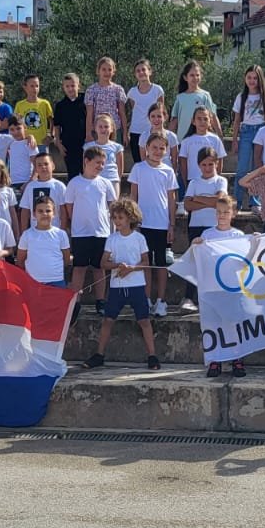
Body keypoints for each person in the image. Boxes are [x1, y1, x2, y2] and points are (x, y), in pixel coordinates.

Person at [84, 198, 158, 370]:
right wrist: (117, 265)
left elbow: (146, 262)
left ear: (130, 218)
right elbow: (103, 263)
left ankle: (152, 356)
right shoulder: (112, 239)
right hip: (117, 287)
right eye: (115, 217)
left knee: (144, 320)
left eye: (121, 218)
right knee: (108, 320)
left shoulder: (139, 238)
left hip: (136, 286)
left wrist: (132, 268)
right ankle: (99, 354)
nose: (117, 221)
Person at [193, 194, 247, 377]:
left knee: (232, 324)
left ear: (233, 214)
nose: (222, 215)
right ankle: (215, 360)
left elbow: (245, 262)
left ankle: (237, 359)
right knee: (213, 325)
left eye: (225, 212)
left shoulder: (238, 235)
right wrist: (195, 245)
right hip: (212, 288)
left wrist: (254, 243)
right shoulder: (207, 235)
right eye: (218, 212)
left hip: (231, 288)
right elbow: (198, 258)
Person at [65, 147, 120, 318]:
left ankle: (100, 301)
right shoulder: (74, 183)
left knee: (99, 267)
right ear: (86, 161)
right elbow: (69, 207)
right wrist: (76, 223)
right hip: (80, 233)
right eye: (97, 162)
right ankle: (75, 301)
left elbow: (112, 206)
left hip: (101, 232)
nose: (100, 166)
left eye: (103, 163)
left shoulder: (106, 183)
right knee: (79, 267)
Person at [128, 133, 177, 318]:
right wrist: (133, 222)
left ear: (166, 151)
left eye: (161, 148)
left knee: (161, 264)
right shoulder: (138, 168)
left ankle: (161, 301)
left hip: (162, 224)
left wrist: (171, 224)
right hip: (143, 224)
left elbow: (171, 199)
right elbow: (133, 196)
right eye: (154, 147)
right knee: (146, 263)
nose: (158, 151)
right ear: (147, 148)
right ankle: (146, 299)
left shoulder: (168, 171)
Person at [181, 148, 228, 314]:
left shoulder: (220, 181)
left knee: (213, 263)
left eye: (210, 164)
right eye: (204, 165)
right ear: (199, 165)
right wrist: (209, 201)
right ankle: (189, 298)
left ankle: (213, 298)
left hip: (214, 227)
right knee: (195, 263)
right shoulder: (194, 183)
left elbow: (220, 200)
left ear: (216, 164)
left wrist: (198, 198)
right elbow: (188, 205)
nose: (207, 168)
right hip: (196, 226)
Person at [230, 65, 265, 210]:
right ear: (245, 79)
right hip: (246, 132)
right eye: (249, 77)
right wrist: (234, 139)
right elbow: (237, 120)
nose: (252, 81)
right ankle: (237, 202)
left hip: (261, 131)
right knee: (242, 168)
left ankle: (255, 202)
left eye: (255, 78)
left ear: (260, 79)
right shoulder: (241, 97)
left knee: (258, 168)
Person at [17, 196, 71, 288]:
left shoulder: (61, 234)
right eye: (40, 211)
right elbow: (20, 260)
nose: (44, 214)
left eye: (48, 211)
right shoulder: (27, 235)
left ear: (54, 213)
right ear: (34, 214)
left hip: (56, 281)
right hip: (33, 281)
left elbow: (66, 258)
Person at [177, 106, 224, 199]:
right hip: (193, 180)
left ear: (210, 121)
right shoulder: (186, 141)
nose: (202, 121)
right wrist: (185, 182)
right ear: (193, 121)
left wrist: (216, 178)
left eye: (205, 119)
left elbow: (220, 160)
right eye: (199, 119)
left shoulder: (215, 140)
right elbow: (183, 163)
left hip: (211, 180)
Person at [125, 59, 165, 164]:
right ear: (135, 74)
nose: (141, 72)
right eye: (138, 71)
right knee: (139, 163)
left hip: (153, 131)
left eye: (143, 69)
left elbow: (161, 111)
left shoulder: (158, 90)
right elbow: (133, 110)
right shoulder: (132, 92)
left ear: (149, 71)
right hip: (136, 131)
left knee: (155, 161)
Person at [171, 60, 220, 141]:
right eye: (192, 75)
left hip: (202, 140)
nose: (195, 78)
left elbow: (213, 117)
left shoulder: (205, 95)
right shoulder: (180, 98)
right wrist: (168, 139)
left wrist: (220, 136)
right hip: (183, 140)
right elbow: (174, 120)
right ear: (185, 77)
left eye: (197, 75)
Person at [84, 57, 127, 147]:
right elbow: (90, 114)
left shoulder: (118, 89)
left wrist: (125, 134)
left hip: (115, 130)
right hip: (98, 130)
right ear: (98, 71)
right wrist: (88, 133)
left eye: (109, 69)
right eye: (104, 69)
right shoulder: (91, 90)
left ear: (113, 71)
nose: (107, 72)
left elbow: (122, 113)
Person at [19, 152, 67, 233]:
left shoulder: (59, 186)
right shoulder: (30, 186)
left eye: (46, 164)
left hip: (55, 232)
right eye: (39, 165)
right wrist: (24, 232)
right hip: (35, 233)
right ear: (36, 169)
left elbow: (63, 211)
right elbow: (25, 211)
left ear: (53, 166)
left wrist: (62, 231)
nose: (43, 167)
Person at [52, 73, 88, 180]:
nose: (70, 89)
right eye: (67, 86)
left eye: (73, 85)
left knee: (87, 171)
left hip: (85, 142)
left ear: (78, 86)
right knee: (72, 173)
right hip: (68, 144)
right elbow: (57, 126)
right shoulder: (60, 105)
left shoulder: (86, 100)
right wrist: (59, 143)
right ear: (63, 87)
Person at [83, 113, 124, 195]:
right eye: (100, 127)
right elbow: (85, 165)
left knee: (113, 202)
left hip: (112, 180)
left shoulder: (117, 147)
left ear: (111, 129)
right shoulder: (88, 147)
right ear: (95, 128)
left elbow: (120, 167)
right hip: (94, 180)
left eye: (106, 127)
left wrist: (118, 179)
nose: (103, 129)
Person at [136, 103, 179, 182]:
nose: (156, 119)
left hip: (167, 174)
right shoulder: (144, 136)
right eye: (153, 116)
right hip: (150, 174)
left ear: (165, 117)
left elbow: (174, 159)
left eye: (159, 116)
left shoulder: (171, 136)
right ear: (149, 117)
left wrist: (173, 175)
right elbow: (143, 158)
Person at [15, 74, 53, 146]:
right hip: (26, 143)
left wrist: (50, 135)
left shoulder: (44, 103)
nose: (35, 88)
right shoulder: (19, 105)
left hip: (42, 143)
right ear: (25, 87)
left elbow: (52, 120)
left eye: (37, 86)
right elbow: (16, 123)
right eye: (32, 86)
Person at [6, 115, 38, 188]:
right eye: (12, 129)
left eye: (18, 128)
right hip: (12, 182)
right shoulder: (9, 144)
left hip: (27, 182)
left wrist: (30, 181)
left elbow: (37, 165)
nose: (16, 132)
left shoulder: (29, 143)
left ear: (25, 127)